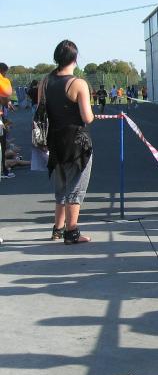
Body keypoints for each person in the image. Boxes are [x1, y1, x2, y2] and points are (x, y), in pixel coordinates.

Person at [39, 40, 95, 244]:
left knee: (61, 187)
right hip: (76, 142)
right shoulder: (78, 83)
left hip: (54, 139)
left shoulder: (45, 81)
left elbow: (41, 110)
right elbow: (87, 117)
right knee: (76, 187)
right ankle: (72, 232)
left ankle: (58, 228)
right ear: (75, 58)